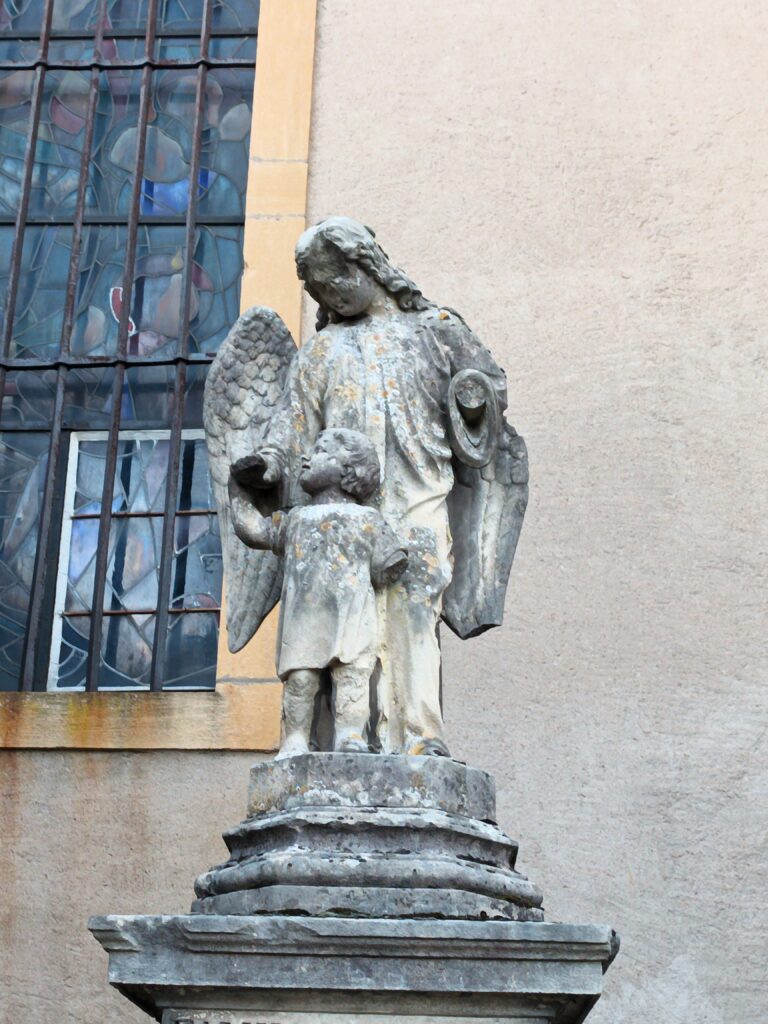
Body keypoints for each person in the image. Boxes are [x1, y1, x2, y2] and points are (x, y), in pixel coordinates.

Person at [245, 217, 508, 757]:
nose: (330, 297)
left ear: (364, 265)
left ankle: (419, 737)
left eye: (333, 282)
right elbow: (291, 430)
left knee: (414, 610)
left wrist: (472, 401)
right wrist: (268, 466)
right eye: (318, 292)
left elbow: (487, 385)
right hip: (342, 513)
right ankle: (351, 742)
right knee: (348, 625)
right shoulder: (320, 352)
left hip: (419, 499)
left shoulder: (435, 329)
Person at [229, 427, 407, 759]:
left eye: (322, 451)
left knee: (352, 677)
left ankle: (351, 735)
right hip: (305, 617)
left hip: (352, 616)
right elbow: (252, 531)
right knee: (300, 680)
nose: (308, 457)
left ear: (348, 471)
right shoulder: (296, 518)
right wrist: (237, 489)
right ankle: (295, 738)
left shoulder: (368, 518)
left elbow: (390, 564)